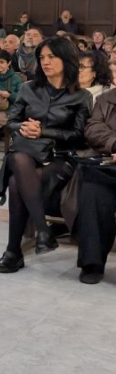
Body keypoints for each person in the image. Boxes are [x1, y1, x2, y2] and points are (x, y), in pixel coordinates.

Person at [0, 37, 91, 272]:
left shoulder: (81, 96)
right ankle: (42, 231)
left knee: (16, 180)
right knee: (18, 161)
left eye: (51, 57)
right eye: (42, 58)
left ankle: (14, 250)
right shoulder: (29, 88)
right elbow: (12, 121)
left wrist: (43, 131)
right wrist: (23, 128)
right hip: (29, 152)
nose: (45, 62)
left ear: (66, 59)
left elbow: (80, 136)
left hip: (61, 157)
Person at [72, 88, 116, 283]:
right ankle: (92, 262)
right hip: (108, 164)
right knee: (93, 191)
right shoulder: (106, 98)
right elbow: (93, 128)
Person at [0, 49, 24, 132]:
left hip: (7, 110)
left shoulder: (15, 78)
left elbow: (22, 98)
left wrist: (9, 95)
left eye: (2, 62)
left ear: (9, 63)